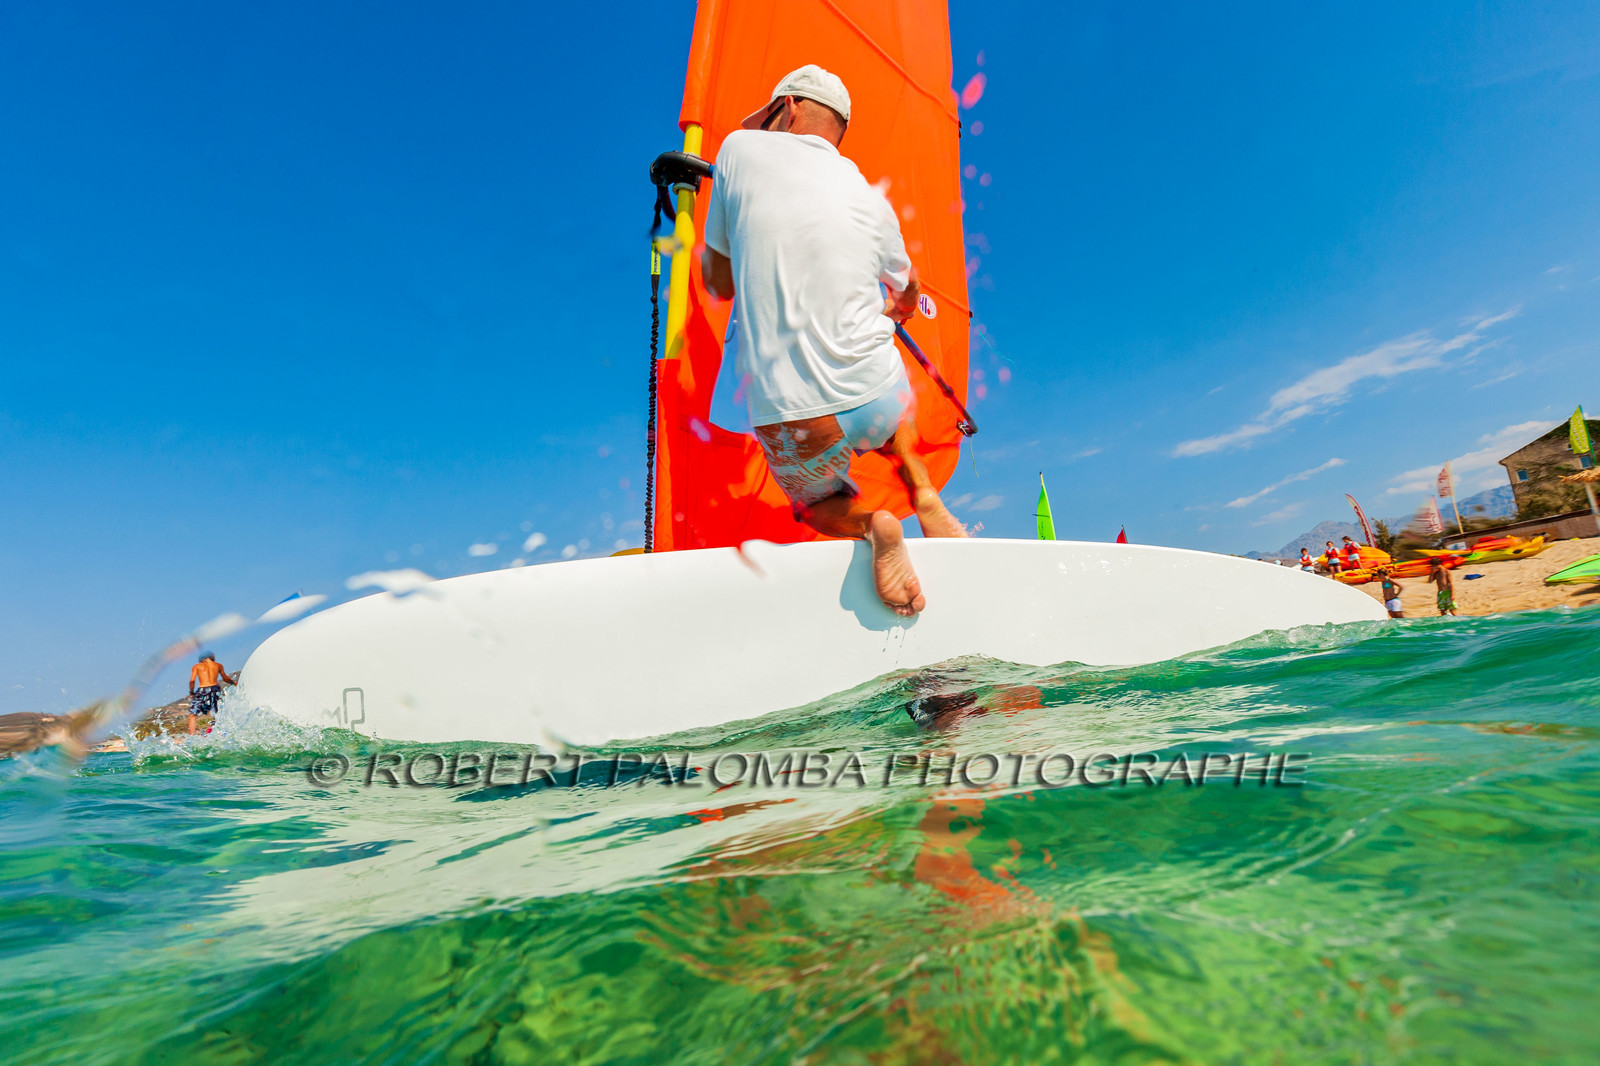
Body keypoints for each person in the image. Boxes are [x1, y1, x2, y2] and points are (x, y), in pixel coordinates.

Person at [700, 64, 966, 617]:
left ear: (788, 108)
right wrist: (897, 309)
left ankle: (874, 526)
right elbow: (907, 286)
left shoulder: (738, 148)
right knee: (884, 365)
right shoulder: (868, 195)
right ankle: (922, 488)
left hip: (800, 420)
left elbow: (718, 283)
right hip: (878, 400)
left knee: (813, 501)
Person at [188, 652, 237, 734]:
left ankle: (192, 735)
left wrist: (192, 693)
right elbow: (225, 678)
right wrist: (233, 683)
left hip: (202, 689)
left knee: (193, 715)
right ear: (212, 657)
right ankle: (219, 733)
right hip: (215, 689)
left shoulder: (197, 666)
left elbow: (192, 681)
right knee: (217, 714)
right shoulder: (218, 665)